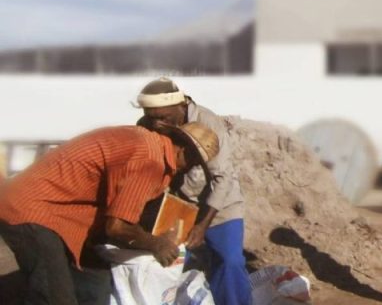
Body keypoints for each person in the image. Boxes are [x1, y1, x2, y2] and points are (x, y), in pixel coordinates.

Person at [0, 122, 218, 305]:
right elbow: (116, 227)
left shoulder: (147, 142)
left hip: (64, 216)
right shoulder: (150, 160)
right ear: (184, 152)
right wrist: (155, 244)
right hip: (34, 210)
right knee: (54, 295)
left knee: (95, 283)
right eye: (194, 163)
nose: (190, 169)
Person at [135, 77, 251, 305]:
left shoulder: (208, 123)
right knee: (167, 263)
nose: (157, 124)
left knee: (230, 262)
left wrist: (202, 225)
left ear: (181, 106)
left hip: (219, 206)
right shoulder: (147, 125)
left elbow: (222, 177)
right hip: (177, 204)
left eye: (163, 117)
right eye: (152, 117)